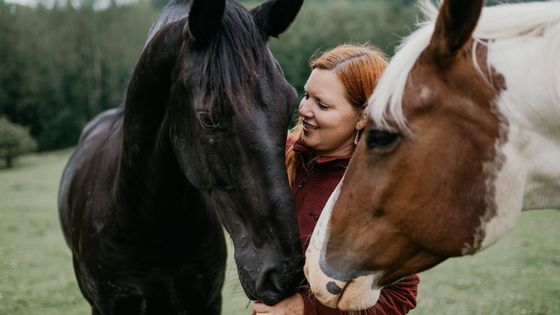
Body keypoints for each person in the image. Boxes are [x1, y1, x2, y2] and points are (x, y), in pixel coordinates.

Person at [252, 44, 420, 315]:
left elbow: (399, 298)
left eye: (322, 104)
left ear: (363, 117)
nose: (304, 109)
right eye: (306, 95)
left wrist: (304, 309)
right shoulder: (279, 155)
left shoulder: (383, 193)